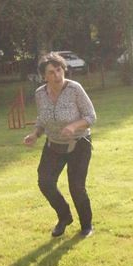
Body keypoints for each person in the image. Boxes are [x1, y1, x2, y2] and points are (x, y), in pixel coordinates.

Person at [23, 52, 96, 237]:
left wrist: (73, 126)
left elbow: (90, 116)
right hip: (54, 144)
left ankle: (87, 226)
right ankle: (64, 216)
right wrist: (35, 134)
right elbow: (42, 118)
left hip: (79, 144)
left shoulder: (75, 89)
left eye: (59, 70)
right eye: (51, 72)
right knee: (45, 182)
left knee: (76, 187)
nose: (57, 75)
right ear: (44, 76)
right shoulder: (40, 94)